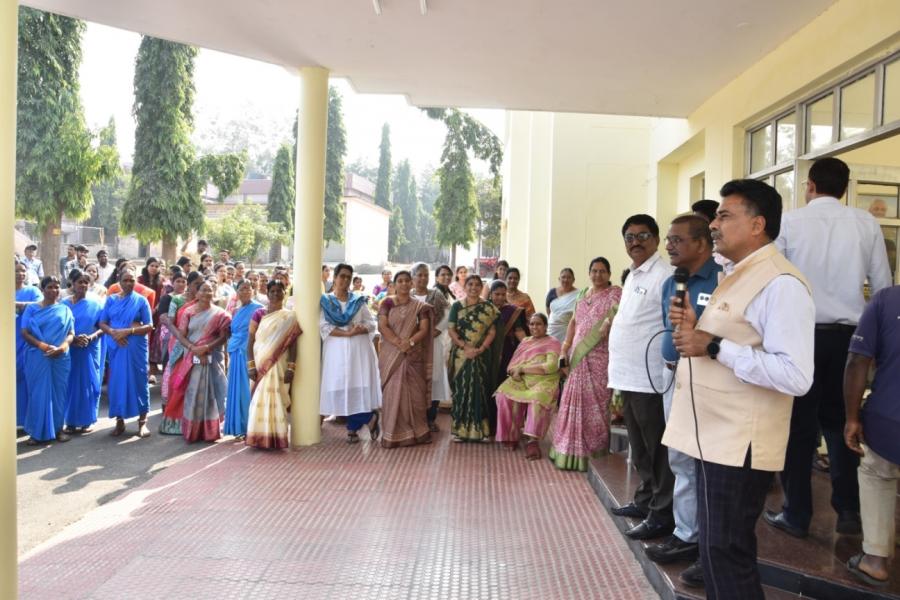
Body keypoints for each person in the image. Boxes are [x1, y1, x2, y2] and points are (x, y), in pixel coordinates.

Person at [664, 179, 814, 599]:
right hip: (713, 436)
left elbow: (796, 375)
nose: (713, 224)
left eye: (725, 215)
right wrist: (697, 329)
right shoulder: (737, 274)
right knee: (716, 551)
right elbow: (732, 340)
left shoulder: (780, 283)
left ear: (758, 225)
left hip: (740, 443)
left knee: (726, 551)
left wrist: (711, 345)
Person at [766, 157, 892, 540]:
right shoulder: (866, 223)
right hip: (850, 342)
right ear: (846, 187)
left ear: (810, 185)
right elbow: (882, 287)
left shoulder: (789, 222)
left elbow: (775, 278)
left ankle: (797, 513)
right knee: (842, 424)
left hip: (801, 335)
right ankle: (849, 510)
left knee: (798, 425)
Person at [646, 215, 721, 586]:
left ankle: (698, 539)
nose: (669, 246)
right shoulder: (671, 283)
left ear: (702, 244)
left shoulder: (721, 279)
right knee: (678, 455)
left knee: (700, 460)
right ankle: (685, 530)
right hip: (671, 372)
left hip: (706, 378)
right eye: (669, 240)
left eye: (676, 240)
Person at [608, 214, 675, 542]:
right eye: (629, 237)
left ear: (656, 239)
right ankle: (646, 499)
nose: (635, 242)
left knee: (656, 447)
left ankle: (662, 513)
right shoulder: (635, 275)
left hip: (649, 378)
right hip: (629, 376)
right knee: (640, 445)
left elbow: (668, 325)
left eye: (642, 235)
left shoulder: (665, 275)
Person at [843, 284, 900, 588]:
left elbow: (857, 361)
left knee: (878, 473)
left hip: (889, 421)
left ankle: (876, 560)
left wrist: (852, 418)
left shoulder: (887, 300)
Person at [549, 257, 621, 471]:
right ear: (589, 273)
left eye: (602, 271)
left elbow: (620, 319)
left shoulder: (616, 294)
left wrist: (610, 321)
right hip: (577, 356)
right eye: (594, 271)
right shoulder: (581, 294)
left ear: (609, 274)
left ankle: (593, 455)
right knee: (571, 403)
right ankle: (567, 450)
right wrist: (565, 347)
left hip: (600, 357)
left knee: (596, 406)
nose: (598, 275)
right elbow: (573, 322)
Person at [319, 264, 382, 443]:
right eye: (342, 276)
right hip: (336, 351)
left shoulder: (358, 301)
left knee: (357, 385)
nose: (345, 280)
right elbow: (324, 326)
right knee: (340, 386)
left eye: (349, 277)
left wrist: (361, 327)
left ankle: (353, 428)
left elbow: (371, 324)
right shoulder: (326, 301)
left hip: (359, 350)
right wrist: (347, 333)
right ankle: (368, 419)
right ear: (335, 278)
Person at [495, 313, 562, 460]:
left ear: (545, 326)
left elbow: (551, 366)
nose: (534, 327)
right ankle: (510, 434)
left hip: (545, 381)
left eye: (538, 324)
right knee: (502, 395)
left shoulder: (553, 342)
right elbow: (512, 365)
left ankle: (532, 440)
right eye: (531, 324)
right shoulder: (525, 341)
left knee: (537, 399)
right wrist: (515, 372)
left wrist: (524, 369)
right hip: (522, 380)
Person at [378, 270, 434, 448]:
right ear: (394, 284)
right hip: (391, 354)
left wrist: (408, 343)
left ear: (412, 284)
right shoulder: (386, 303)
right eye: (399, 281)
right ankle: (392, 434)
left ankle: (417, 433)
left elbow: (424, 329)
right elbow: (382, 325)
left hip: (411, 355)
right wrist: (397, 342)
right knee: (393, 392)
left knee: (415, 394)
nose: (403, 284)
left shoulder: (420, 306)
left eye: (406, 281)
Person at [247, 279, 302, 450]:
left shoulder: (290, 316)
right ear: (267, 293)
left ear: (285, 293)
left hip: (279, 364)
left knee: (277, 399)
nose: (276, 294)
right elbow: (250, 341)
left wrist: (291, 367)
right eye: (272, 291)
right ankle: (257, 437)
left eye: (280, 291)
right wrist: (250, 365)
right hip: (260, 363)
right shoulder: (259, 314)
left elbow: (293, 344)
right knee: (258, 400)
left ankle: (276, 438)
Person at [173, 280, 231, 443]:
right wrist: (194, 348)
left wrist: (206, 347)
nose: (207, 293)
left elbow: (223, 337)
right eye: (203, 290)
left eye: (210, 290)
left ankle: (212, 431)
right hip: (192, 358)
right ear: (197, 294)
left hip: (213, 357)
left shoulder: (221, 314)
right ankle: (193, 431)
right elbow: (180, 335)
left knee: (214, 393)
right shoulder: (188, 312)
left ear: (214, 293)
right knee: (193, 393)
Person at [99, 268, 154, 438]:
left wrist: (128, 331)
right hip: (116, 345)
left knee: (139, 381)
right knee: (117, 382)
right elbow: (102, 323)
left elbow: (149, 326)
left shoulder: (141, 301)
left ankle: (142, 423)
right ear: (119, 281)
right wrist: (115, 333)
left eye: (132, 280)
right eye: (126, 280)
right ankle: (120, 422)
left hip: (135, 345)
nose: (129, 283)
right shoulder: (111, 300)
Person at [20, 276, 74, 444]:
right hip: (38, 356)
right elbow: (25, 332)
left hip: (60, 357)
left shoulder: (65, 309)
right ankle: (36, 433)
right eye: (50, 287)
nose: (54, 290)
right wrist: (42, 345)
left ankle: (58, 430)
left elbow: (71, 333)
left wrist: (63, 347)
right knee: (38, 393)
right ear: (42, 289)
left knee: (58, 393)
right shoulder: (32, 309)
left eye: (57, 287)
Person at [447, 275, 498, 442]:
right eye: (470, 284)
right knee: (461, 391)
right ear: (465, 286)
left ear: (481, 287)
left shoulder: (487, 307)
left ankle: (482, 431)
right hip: (461, 354)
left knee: (481, 390)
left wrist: (481, 348)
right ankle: (459, 431)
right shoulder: (456, 306)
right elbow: (451, 330)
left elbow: (491, 332)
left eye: (477, 285)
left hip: (481, 355)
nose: (474, 287)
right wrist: (464, 346)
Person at [159, 271, 202, 433]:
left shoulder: (203, 301)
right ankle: (175, 423)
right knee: (178, 381)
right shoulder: (176, 300)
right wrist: (185, 342)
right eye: (197, 284)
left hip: (198, 344)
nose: (199, 287)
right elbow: (170, 324)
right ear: (189, 285)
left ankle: (194, 421)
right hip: (179, 345)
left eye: (201, 284)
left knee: (195, 382)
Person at [410, 262, 450, 432]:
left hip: (433, 343)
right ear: (412, 277)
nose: (423, 278)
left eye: (426, 275)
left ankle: (430, 418)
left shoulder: (436, 295)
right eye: (419, 275)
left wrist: (437, 330)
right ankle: (415, 419)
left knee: (433, 378)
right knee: (414, 380)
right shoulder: (407, 295)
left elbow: (448, 313)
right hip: (412, 344)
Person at [62, 271, 104, 434]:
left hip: (89, 348)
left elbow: (103, 326)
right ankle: (70, 421)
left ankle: (88, 420)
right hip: (70, 348)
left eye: (86, 282)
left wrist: (91, 337)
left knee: (89, 383)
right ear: (72, 283)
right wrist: (73, 339)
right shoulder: (64, 304)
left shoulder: (96, 303)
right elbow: (59, 327)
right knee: (70, 384)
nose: (83, 285)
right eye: (80, 282)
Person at [488, 280, 528, 435]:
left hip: (507, 353)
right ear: (490, 294)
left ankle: (505, 425)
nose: (499, 297)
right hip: (487, 352)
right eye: (496, 294)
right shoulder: (484, 308)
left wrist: (529, 347)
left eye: (503, 294)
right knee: (488, 387)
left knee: (503, 386)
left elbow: (519, 331)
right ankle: (489, 425)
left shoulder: (512, 311)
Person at [224, 279, 263, 438]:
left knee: (246, 389)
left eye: (248, 288)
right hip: (235, 350)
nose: (245, 291)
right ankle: (237, 426)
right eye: (242, 289)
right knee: (236, 389)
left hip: (248, 351)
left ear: (253, 290)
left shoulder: (259, 309)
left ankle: (249, 425)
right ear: (237, 292)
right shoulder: (235, 310)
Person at [15, 263, 42, 429]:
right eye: (16, 271)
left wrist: (17, 304)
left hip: (26, 337)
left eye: (23, 270)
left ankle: (26, 419)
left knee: (26, 376)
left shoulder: (32, 291)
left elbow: (40, 306)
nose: (20, 274)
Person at [546, 268, 578, 343]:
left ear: (573, 280)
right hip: (551, 330)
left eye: (569, 277)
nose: (566, 280)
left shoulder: (578, 294)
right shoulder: (552, 292)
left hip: (568, 331)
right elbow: (548, 310)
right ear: (559, 279)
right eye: (563, 277)